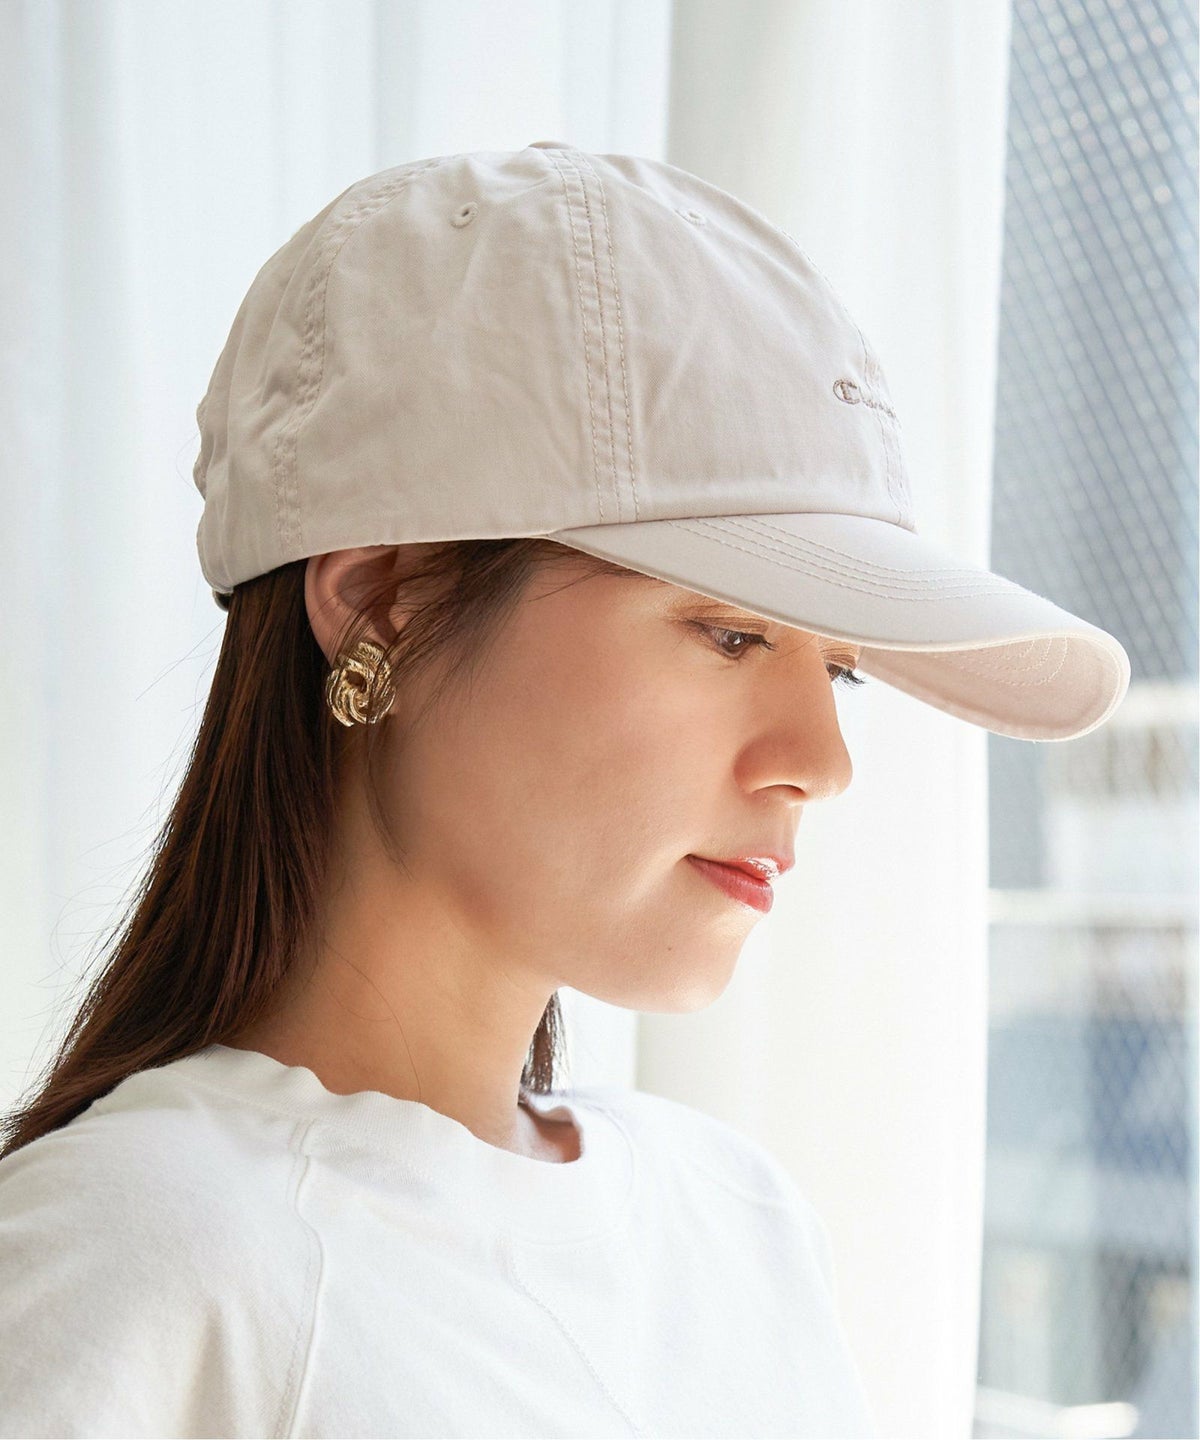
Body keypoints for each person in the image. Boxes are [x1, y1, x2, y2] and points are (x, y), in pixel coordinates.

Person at [0, 141, 1129, 1439]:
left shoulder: (736, 1224)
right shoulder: (132, 1262)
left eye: (843, 672)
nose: (821, 762)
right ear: (384, 602)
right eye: (731, 634)